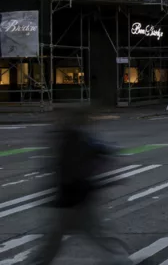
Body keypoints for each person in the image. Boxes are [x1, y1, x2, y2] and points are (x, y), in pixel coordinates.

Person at [34, 109, 128, 265]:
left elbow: (62, 167)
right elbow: (100, 152)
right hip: (76, 198)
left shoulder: (68, 136)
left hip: (71, 198)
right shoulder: (76, 137)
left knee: (54, 241)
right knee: (97, 234)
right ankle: (122, 261)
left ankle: (122, 261)